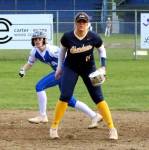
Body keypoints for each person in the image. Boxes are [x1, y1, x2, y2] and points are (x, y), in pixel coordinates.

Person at [50, 12, 118, 140]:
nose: (81, 24)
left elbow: (102, 49)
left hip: (89, 68)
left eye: (84, 22)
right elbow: (62, 51)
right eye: (79, 22)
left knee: (98, 97)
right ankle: (54, 128)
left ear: (88, 24)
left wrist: (103, 66)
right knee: (65, 96)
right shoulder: (67, 37)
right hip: (71, 68)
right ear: (75, 23)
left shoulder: (94, 37)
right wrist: (59, 67)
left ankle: (112, 128)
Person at [18, 31, 102, 129]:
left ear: (44, 40)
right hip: (59, 72)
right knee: (69, 100)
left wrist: (71, 73)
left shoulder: (52, 50)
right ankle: (95, 115)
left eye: (39, 39)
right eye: (35, 39)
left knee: (39, 86)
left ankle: (42, 116)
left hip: (64, 72)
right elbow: (30, 63)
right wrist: (23, 69)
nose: (37, 41)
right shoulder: (34, 51)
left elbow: (68, 58)